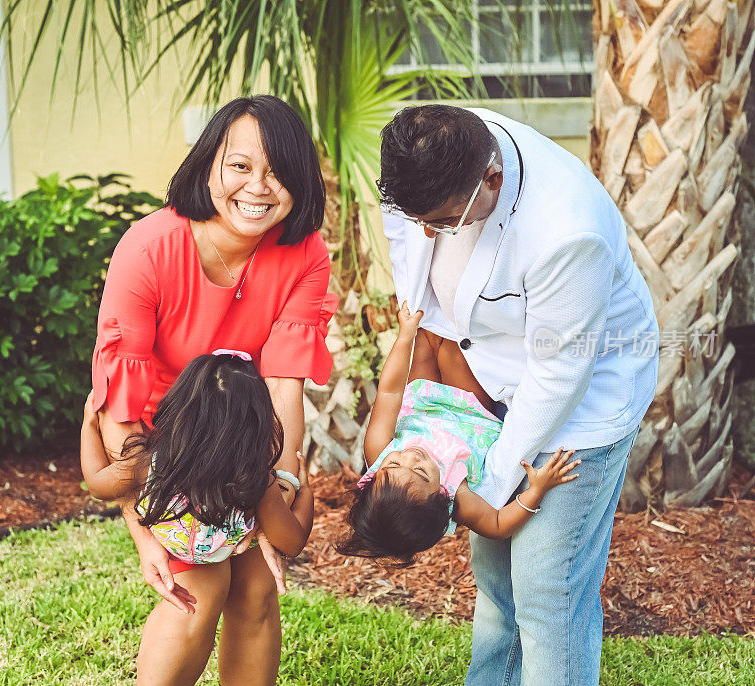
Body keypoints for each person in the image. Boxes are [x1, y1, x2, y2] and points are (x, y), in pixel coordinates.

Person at [378, 104, 658, 685]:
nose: (427, 232)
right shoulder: (428, 146)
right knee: (498, 586)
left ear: (492, 181)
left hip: (578, 401)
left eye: (444, 222)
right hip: (491, 386)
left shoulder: (566, 232)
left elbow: (559, 375)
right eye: (417, 218)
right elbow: (412, 243)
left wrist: (486, 483)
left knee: (544, 592)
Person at [86, 95, 336, 686]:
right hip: (158, 446)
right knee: (198, 581)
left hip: (241, 438)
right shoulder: (148, 247)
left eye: (277, 171)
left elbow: (283, 387)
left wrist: (276, 491)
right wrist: (144, 528)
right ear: (208, 166)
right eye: (240, 166)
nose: (258, 186)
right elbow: (119, 401)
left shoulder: (305, 254)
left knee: (255, 586)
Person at [81, 351, 314, 685]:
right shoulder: (256, 481)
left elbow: (96, 483)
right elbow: (291, 542)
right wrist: (304, 492)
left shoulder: (148, 461)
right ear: (256, 424)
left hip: (175, 547)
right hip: (225, 548)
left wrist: (88, 425)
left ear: (179, 406)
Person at [337, 303, 578, 566]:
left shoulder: (377, 450)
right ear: (441, 498)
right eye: (421, 473)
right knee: (454, 345)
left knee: (428, 332)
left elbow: (389, 392)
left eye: (393, 464)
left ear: (372, 476)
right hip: (468, 408)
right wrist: (537, 490)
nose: (411, 457)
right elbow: (497, 525)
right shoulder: (456, 492)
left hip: (423, 398)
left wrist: (403, 337)